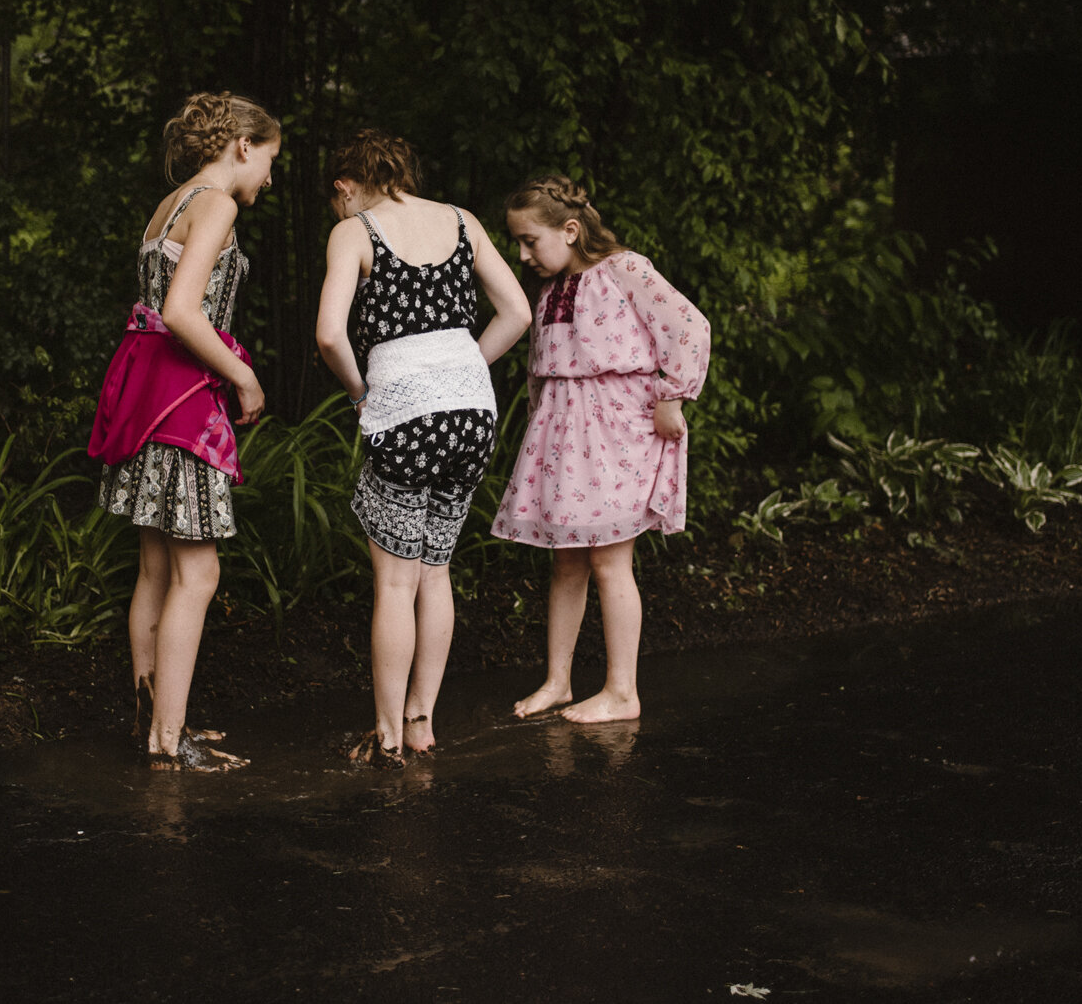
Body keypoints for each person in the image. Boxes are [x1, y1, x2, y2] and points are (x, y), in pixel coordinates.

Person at [315, 130, 532, 766]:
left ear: (345, 186)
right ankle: (421, 723)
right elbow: (517, 312)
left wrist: (361, 393)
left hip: (405, 413)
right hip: (473, 411)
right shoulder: (462, 220)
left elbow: (331, 335)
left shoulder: (355, 230)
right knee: (434, 568)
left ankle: (385, 734)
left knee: (394, 577)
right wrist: (464, 370)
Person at [90, 91, 280, 771]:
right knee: (198, 573)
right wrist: (245, 378)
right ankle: (170, 739)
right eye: (270, 160)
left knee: (156, 566)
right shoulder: (218, 203)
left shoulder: (167, 203)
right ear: (241, 147)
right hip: (183, 400)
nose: (269, 176)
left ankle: (155, 719)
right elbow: (181, 311)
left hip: (143, 393)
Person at [492, 175, 711, 724]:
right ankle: (558, 681)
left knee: (611, 562)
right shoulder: (551, 289)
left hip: (616, 430)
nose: (522, 254)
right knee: (565, 563)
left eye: (529, 241)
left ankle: (621, 690)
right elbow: (543, 367)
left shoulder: (624, 269)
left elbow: (688, 325)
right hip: (562, 434)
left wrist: (674, 395)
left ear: (569, 230)